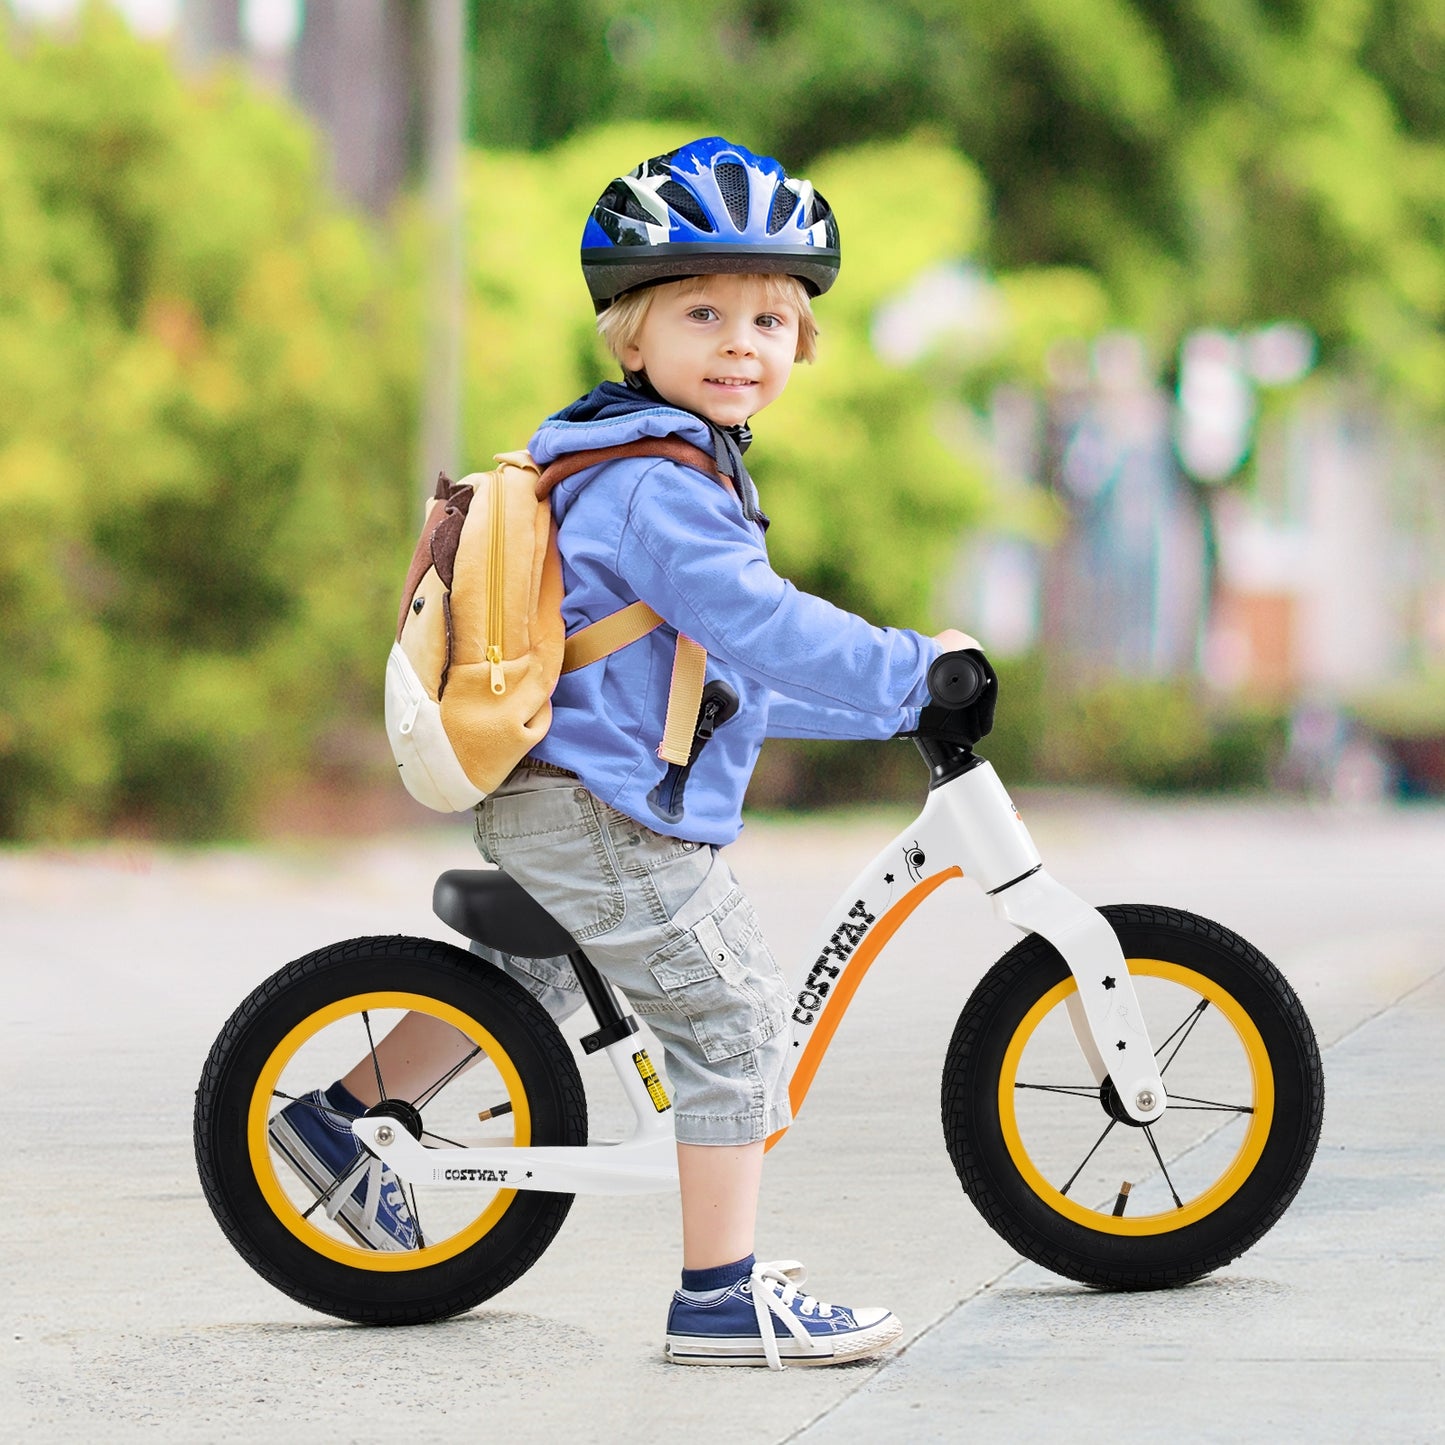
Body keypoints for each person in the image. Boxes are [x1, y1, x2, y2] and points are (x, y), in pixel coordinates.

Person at [269, 136, 979, 1368]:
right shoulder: (661, 484)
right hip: (602, 807)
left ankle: (339, 1120)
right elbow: (760, 621)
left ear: (800, 345)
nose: (741, 341)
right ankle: (719, 1290)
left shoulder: (641, 459)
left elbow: (716, 678)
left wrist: (885, 708)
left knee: (523, 982)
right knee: (733, 1019)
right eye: (703, 311)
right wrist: (911, 667)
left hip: (566, 788)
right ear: (632, 337)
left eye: (769, 317)